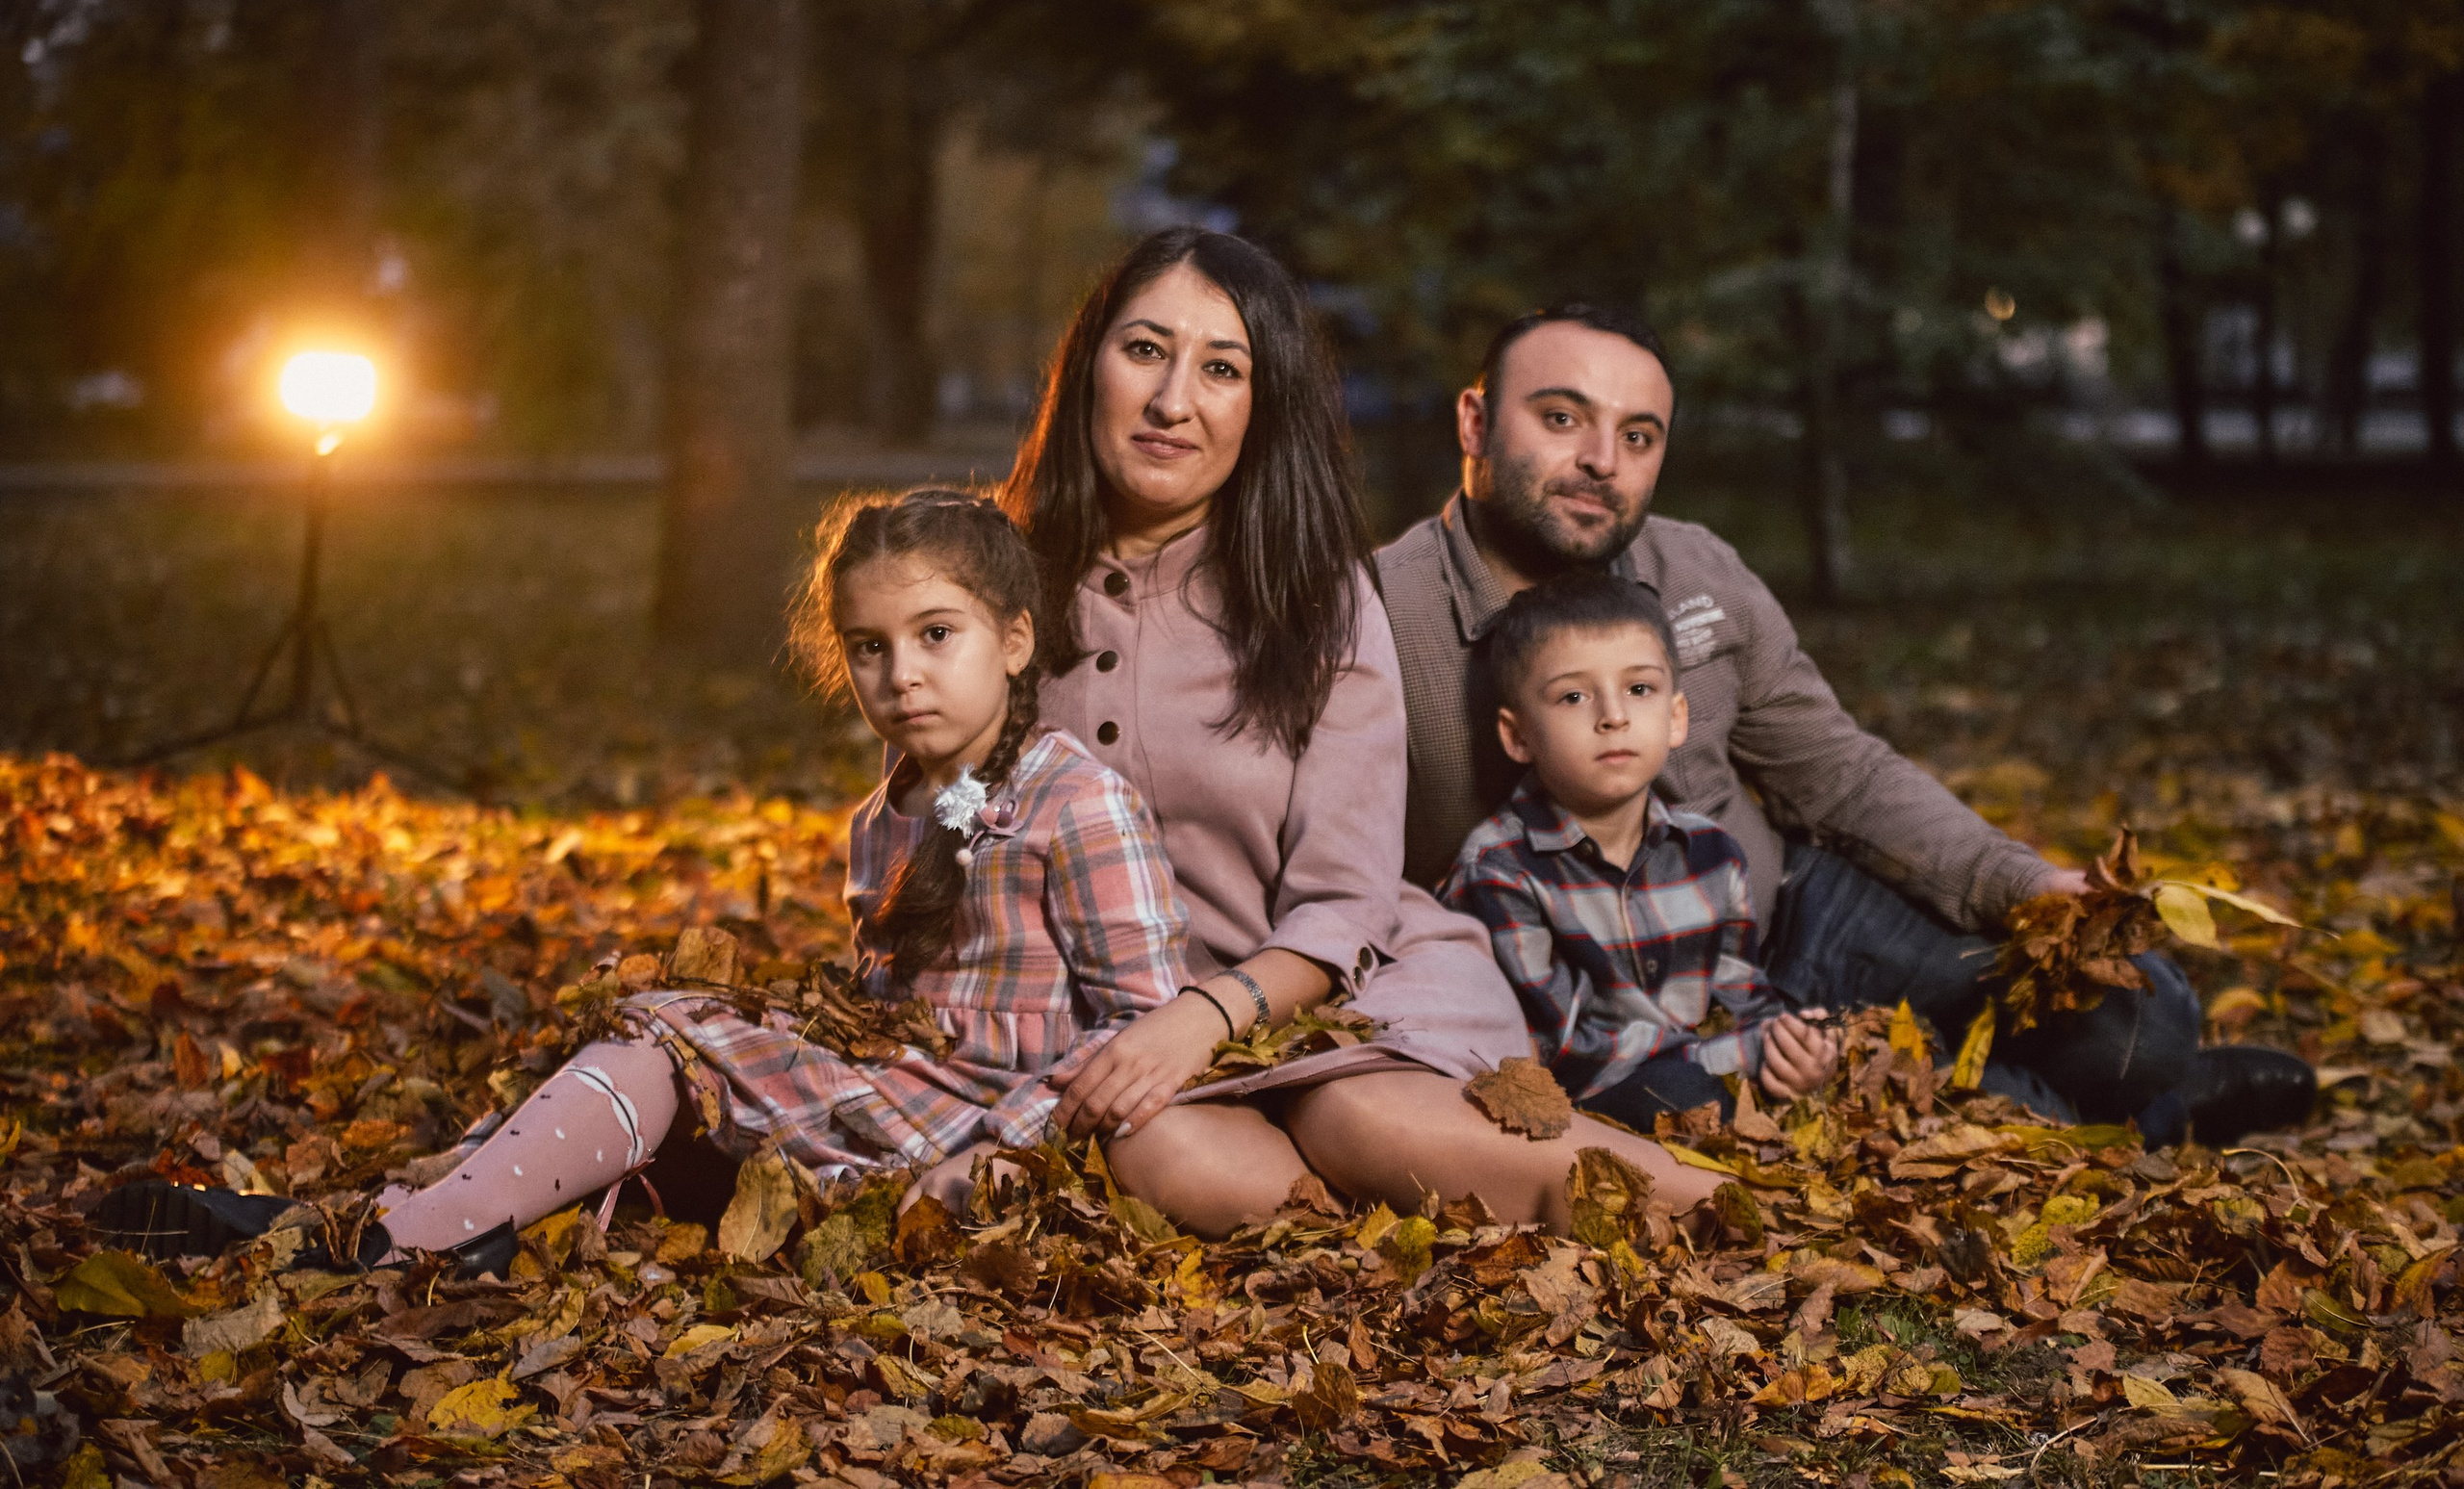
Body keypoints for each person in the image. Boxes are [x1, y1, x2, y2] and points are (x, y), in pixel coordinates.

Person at [97, 489, 1194, 1270]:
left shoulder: (1075, 801)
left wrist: (1005, 1160)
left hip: (970, 1135)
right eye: (866, 647)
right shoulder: (889, 810)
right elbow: (879, 1001)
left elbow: (1139, 1029)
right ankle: (373, 1224)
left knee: (672, 1032)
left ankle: (412, 1232)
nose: (898, 674)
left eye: (934, 635)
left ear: (1012, 642)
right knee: (659, 1046)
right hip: (878, 1098)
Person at [1376, 301, 2316, 1143]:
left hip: (1793, 909)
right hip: (1619, 991)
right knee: (1787, 1105)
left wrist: (2023, 888)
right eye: (1560, 418)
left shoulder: (1696, 571)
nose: (1601, 461)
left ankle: (2094, 1089)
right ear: (1474, 421)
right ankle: (2142, 1120)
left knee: (2140, 1018)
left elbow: (1836, 771)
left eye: (1639, 435)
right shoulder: (1377, 617)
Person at [1004, 227, 1727, 1238]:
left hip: (1336, 992)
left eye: (1222, 369)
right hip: (1109, 1034)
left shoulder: (1318, 601)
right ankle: (1367, 1230)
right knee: (1157, 1148)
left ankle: (1723, 1215)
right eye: (1144, 351)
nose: (1173, 401)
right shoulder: (991, 586)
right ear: (1088, 367)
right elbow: (945, 829)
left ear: (1262, 410)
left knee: (1358, 1115)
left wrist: (1202, 1020)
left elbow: (1341, 903)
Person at [1440, 572, 1840, 1128]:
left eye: (1639, 689)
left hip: (1690, 1071)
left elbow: (1737, 995)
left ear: (1676, 717)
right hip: (1577, 1095)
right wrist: (1732, 1059)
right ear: (1518, 736)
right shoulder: (1501, 868)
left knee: (1763, 1066)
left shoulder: (1712, 853)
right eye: (1574, 696)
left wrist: (1782, 1045)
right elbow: (1562, 1051)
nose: (1614, 716)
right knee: (1680, 1095)